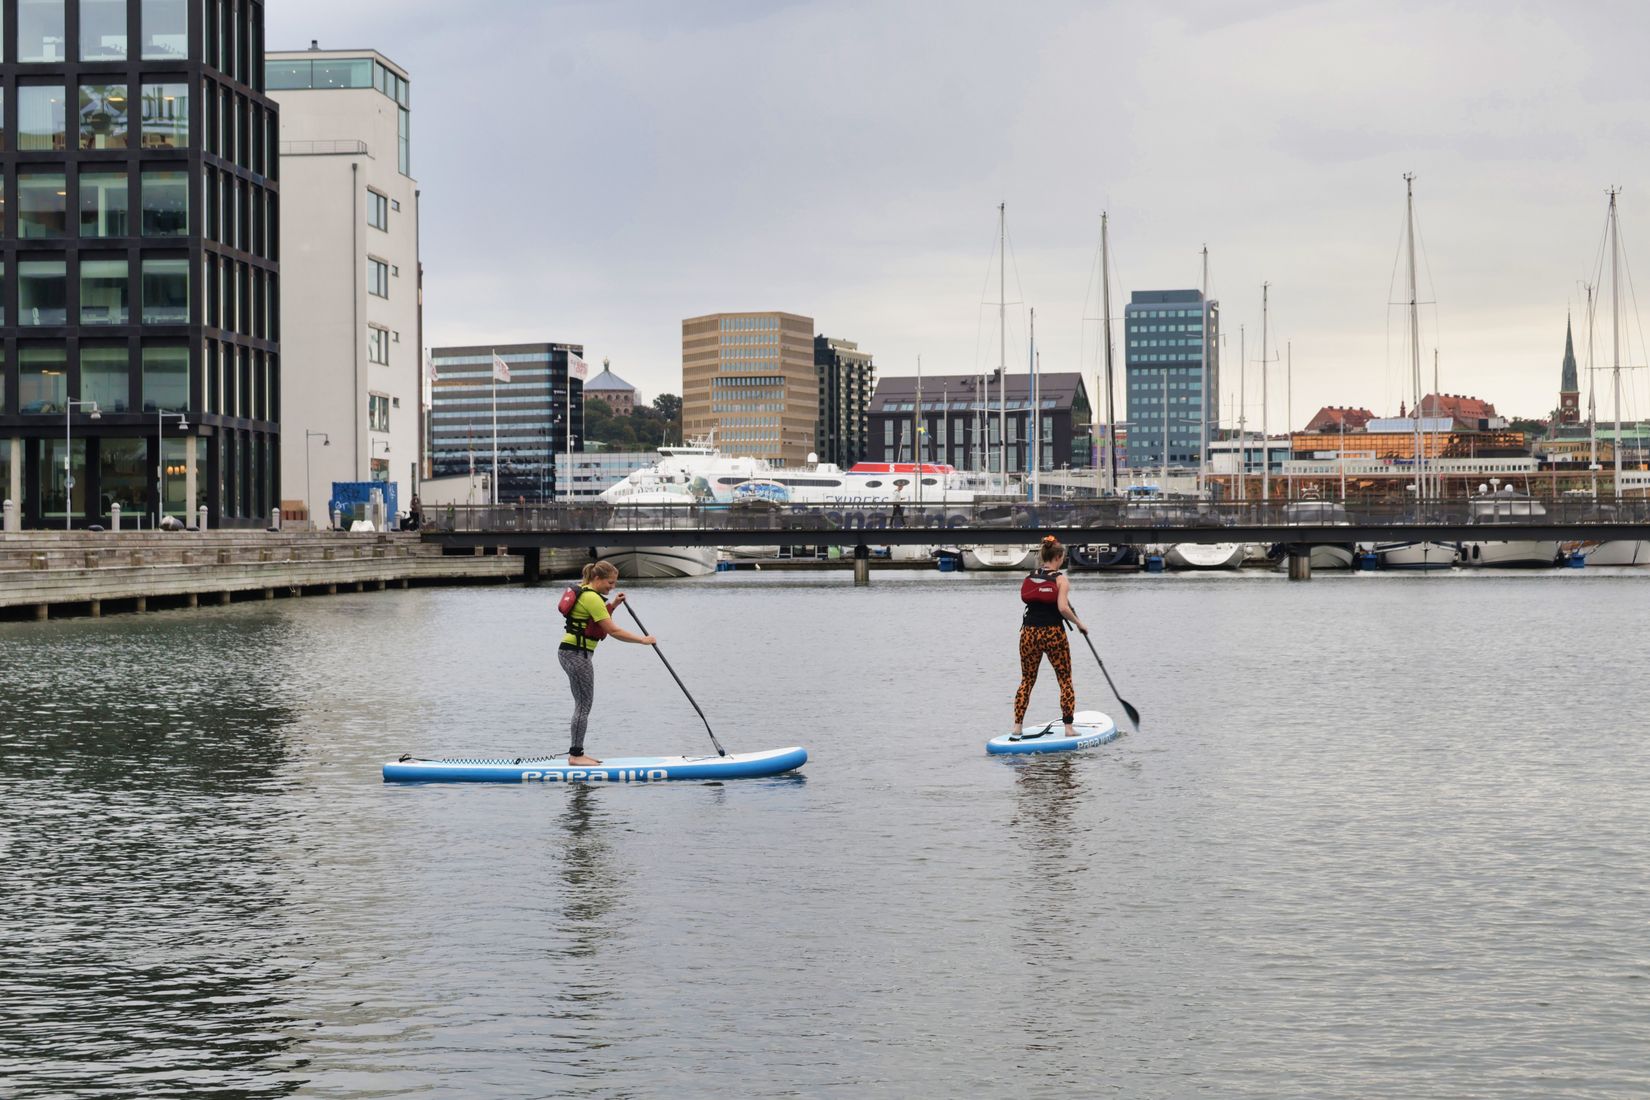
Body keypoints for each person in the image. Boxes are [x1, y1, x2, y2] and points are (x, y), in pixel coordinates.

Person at [559, 560, 656, 765]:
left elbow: (592, 620)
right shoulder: (592, 598)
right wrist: (643, 640)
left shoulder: (585, 591)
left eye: (614, 583)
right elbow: (613, 631)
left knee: (582, 703)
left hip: (572, 653)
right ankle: (576, 755)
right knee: (583, 704)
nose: (612, 587)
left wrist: (612, 605)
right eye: (609, 583)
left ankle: (577, 753)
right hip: (576, 655)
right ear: (597, 578)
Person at [1012, 535, 1087, 738]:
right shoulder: (1061, 579)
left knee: (1027, 680)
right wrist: (1079, 623)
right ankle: (1069, 728)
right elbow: (1063, 607)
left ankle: (1017, 727)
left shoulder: (1030, 576)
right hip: (1053, 633)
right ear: (1059, 557)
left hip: (1028, 633)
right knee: (1065, 680)